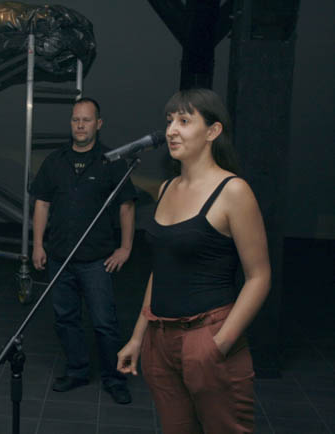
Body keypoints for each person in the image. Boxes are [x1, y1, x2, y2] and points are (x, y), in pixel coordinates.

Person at [117, 88, 271, 433]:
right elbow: (161, 270)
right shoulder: (166, 188)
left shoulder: (233, 191)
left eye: (184, 121)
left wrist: (220, 345)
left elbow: (259, 277)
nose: (171, 130)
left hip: (207, 334)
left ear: (213, 131)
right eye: (169, 121)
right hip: (160, 339)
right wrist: (139, 337)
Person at [30, 97, 137, 405]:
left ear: (98, 124)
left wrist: (126, 247)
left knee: (104, 323)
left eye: (86, 120)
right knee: (66, 319)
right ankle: (77, 371)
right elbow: (42, 203)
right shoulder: (55, 161)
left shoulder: (111, 162)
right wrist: (37, 244)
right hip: (59, 258)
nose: (80, 125)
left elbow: (127, 206)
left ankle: (114, 379)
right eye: (76, 119)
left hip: (96, 261)